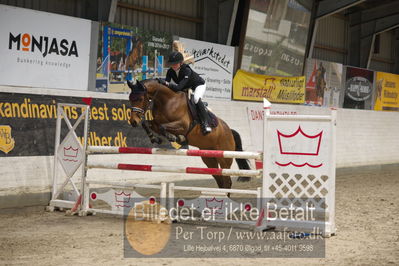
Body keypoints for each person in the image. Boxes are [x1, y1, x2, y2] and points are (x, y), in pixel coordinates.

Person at [160, 51, 212, 135]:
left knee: (196, 99)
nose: (173, 65)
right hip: (187, 87)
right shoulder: (170, 71)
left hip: (199, 85)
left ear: (181, 63)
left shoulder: (187, 70)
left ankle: (205, 124)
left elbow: (178, 87)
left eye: (175, 63)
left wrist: (165, 83)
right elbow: (166, 85)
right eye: (172, 63)